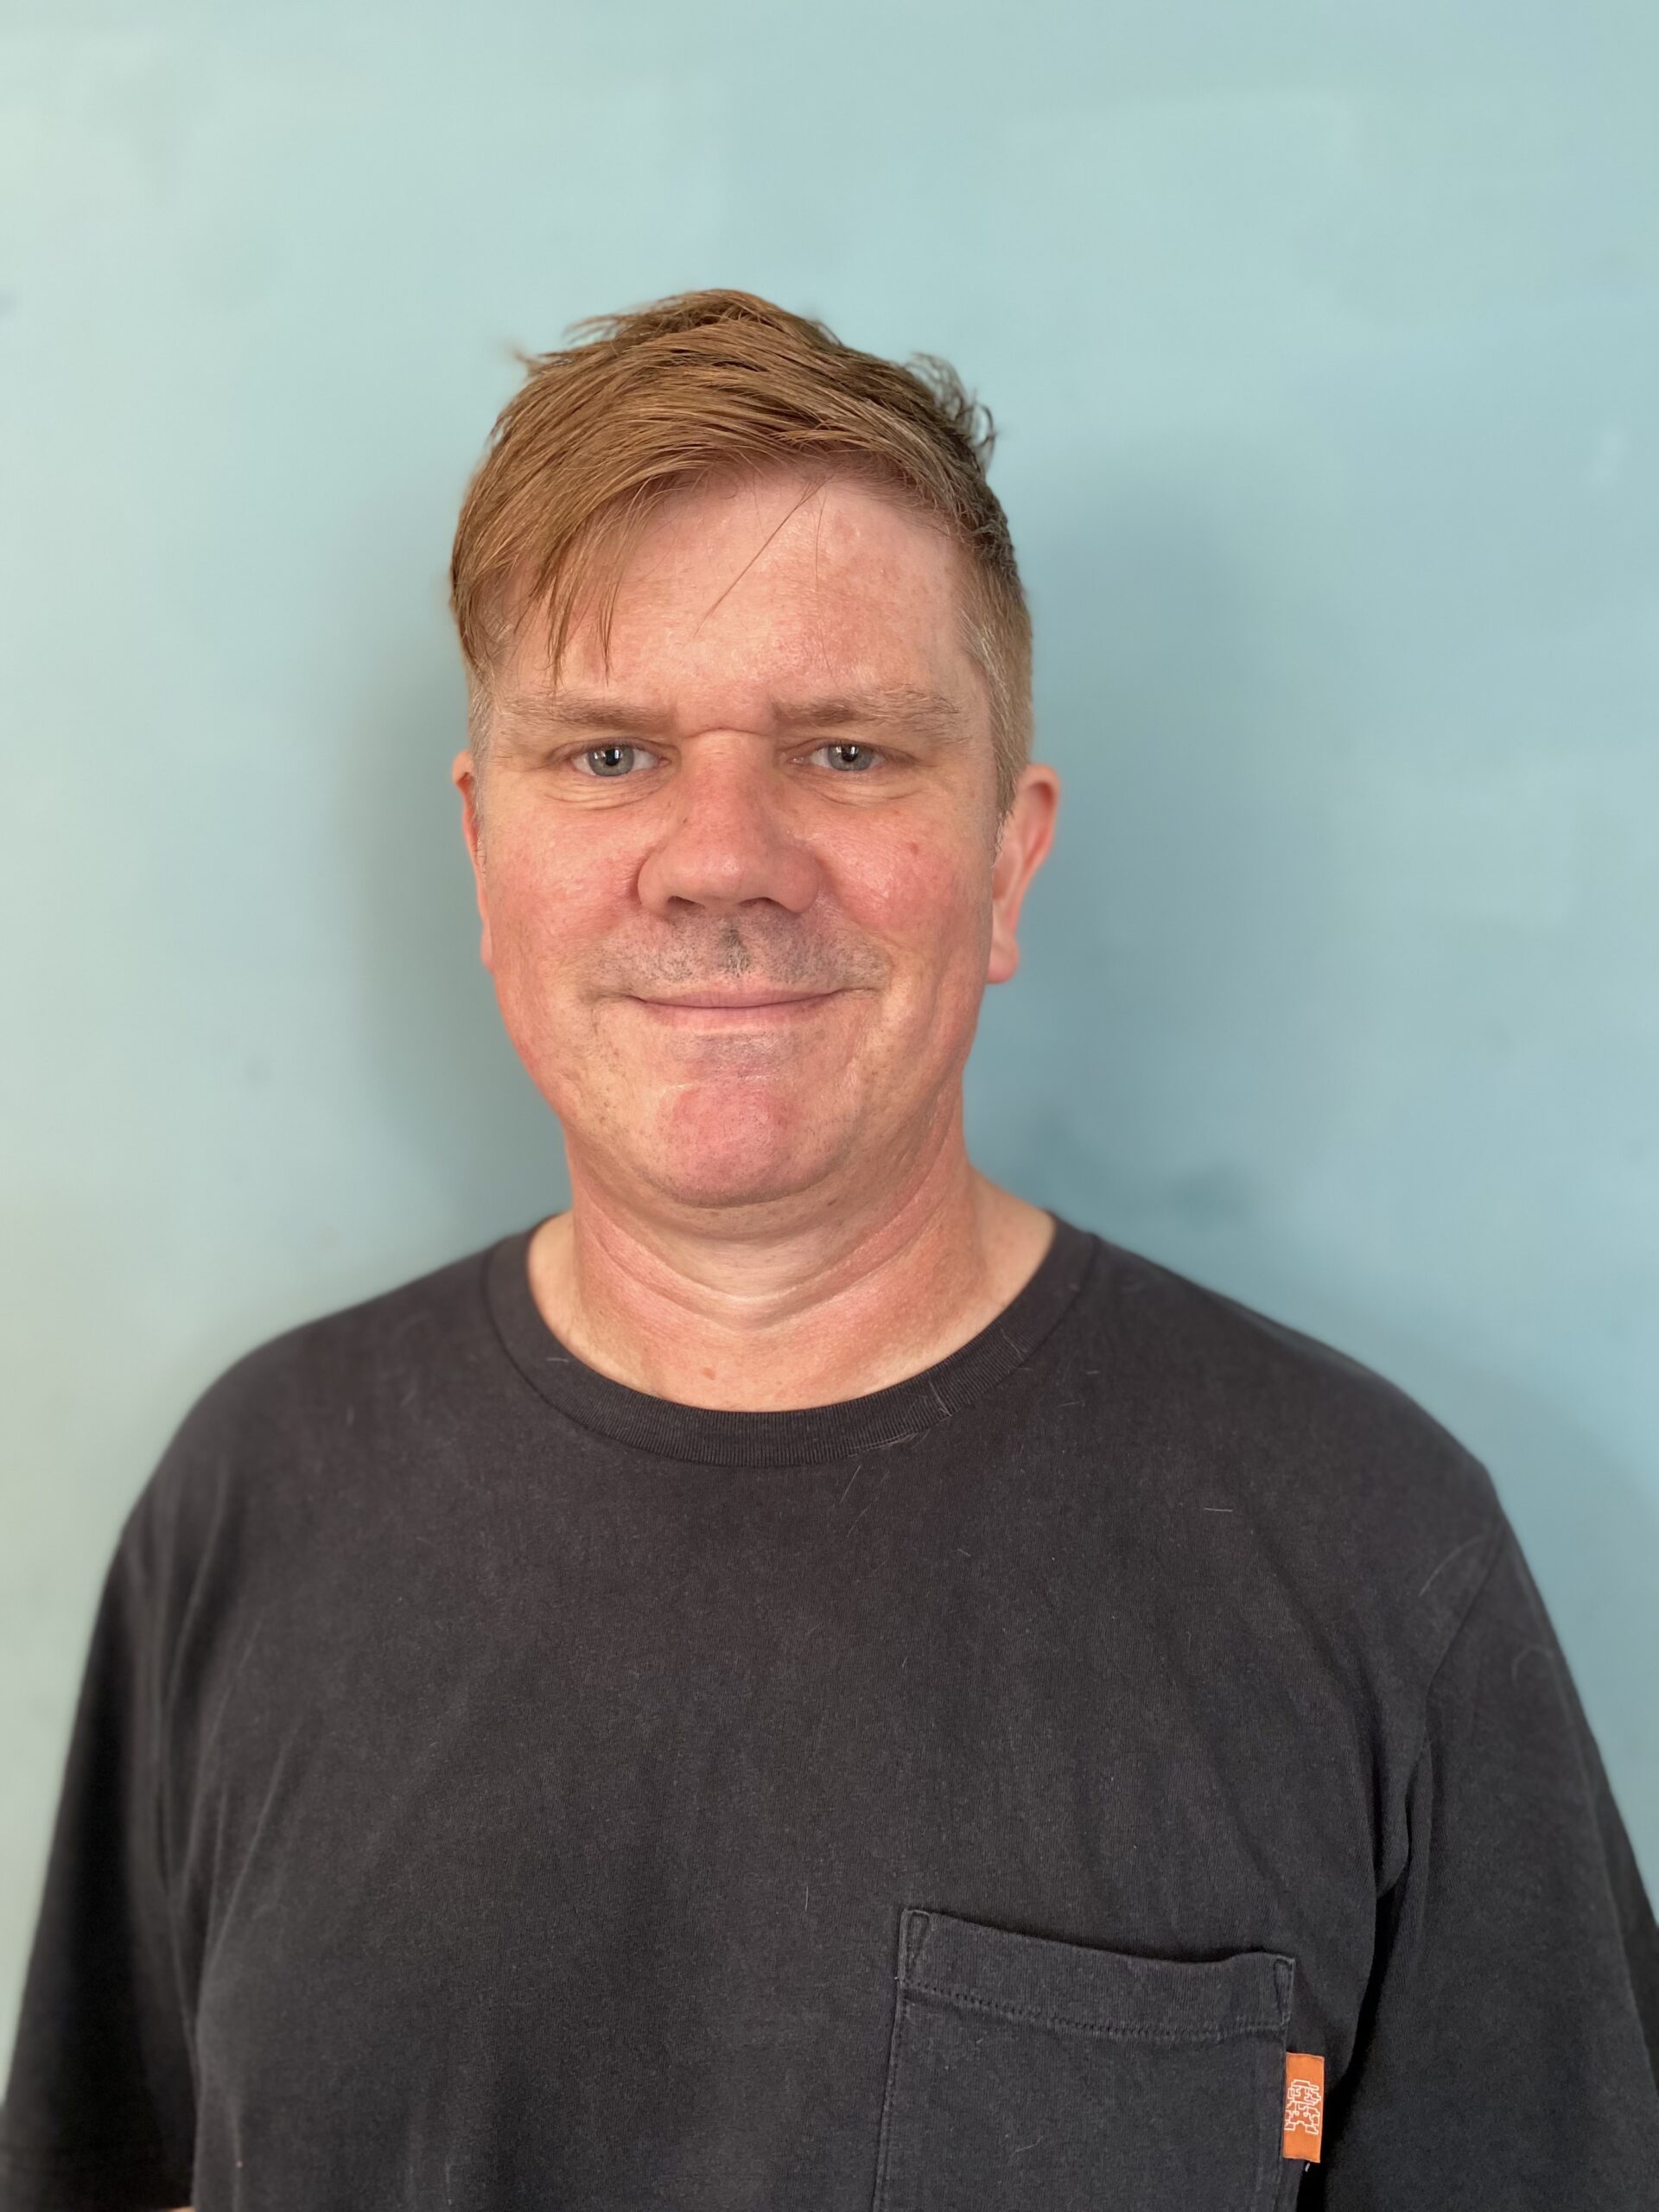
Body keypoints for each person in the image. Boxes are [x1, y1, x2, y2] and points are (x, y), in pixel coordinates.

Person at [1, 289, 1655, 2212]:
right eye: (607, 755)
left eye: (849, 751)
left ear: (1009, 857)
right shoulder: (252, 1500)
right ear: (482, 854)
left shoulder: (1374, 1564)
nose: (722, 857)